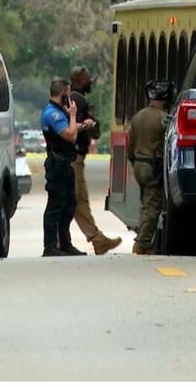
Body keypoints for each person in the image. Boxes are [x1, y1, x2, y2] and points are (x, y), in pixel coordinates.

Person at [69, 66, 122, 255]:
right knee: (71, 199)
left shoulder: (77, 99)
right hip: (73, 158)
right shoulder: (77, 99)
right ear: (77, 79)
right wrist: (89, 125)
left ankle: (98, 240)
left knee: (80, 200)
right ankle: (59, 241)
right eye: (86, 78)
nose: (89, 81)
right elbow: (72, 127)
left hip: (78, 159)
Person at [127, 79, 175, 255]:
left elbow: (130, 145)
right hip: (153, 166)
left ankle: (146, 241)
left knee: (145, 205)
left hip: (139, 164)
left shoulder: (138, 116)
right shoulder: (164, 119)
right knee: (153, 207)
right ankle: (142, 244)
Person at [40, 78, 86, 257]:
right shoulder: (53, 114)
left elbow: (70, 130)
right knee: (55, 205)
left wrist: (82, 125)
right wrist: (73, 115)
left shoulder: (58, 112)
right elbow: (70, 136)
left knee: (69, 203)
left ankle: (65, 244)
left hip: (65, 164)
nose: (71, 96)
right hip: (57, 164)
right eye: (69, 92)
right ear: (63, 94)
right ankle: (50, 246)